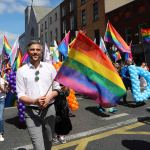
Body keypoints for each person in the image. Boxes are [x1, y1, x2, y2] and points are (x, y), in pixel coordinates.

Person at [16, 40, 61, 150]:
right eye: (32, 50)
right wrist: (34, 101)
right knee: (38, 146)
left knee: (49, 141)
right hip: (31, 113)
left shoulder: (50, 67)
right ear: (28, 52)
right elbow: (20, 95)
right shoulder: (21, 71)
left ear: (41, 52)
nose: (35, 52)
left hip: (49, 110)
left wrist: (49, 97)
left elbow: (57, 88)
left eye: (38, 50)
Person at [0, 75, 9, 141]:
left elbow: (4, 90)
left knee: (0, 117)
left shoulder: (2, 80)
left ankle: (0, 133)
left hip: (1, 100)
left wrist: (6, 85)